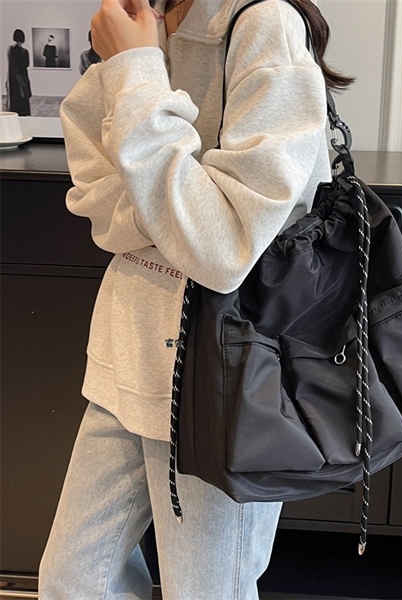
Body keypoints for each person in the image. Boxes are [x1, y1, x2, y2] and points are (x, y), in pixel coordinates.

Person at [38, 0, 352, 598]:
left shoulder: (262, 23)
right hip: (128, 355)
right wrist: (174, 218)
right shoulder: (141, 15)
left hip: (225, 375)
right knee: (73, 583)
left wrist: (135, 66)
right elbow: (93, 193)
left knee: (205, 590)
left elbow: (223, 245)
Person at [6, 29, 32, 116]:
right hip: (22, 76)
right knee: (23, 95)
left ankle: (14, 111)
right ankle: (24, 112)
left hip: (13, 77)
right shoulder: (24, 52)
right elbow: (27, 64)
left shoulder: (10, 50)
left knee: (15, 96)